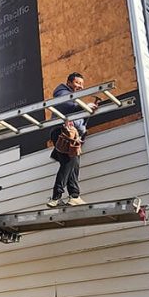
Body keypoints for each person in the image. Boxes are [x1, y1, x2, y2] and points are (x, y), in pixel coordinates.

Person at [46, 72, 99, 207]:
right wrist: (84, 107)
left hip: (71, 135)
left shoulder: (75, 100)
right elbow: (66, 106)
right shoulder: (62, 92)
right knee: (69, 162)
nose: (80, 86)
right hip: (62, 132)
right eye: (77, 83)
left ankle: (74, 195)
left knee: (73, 164)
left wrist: (87, 112)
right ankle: (56, 197)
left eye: (82, 84)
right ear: (69, 83)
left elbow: (79, 123)